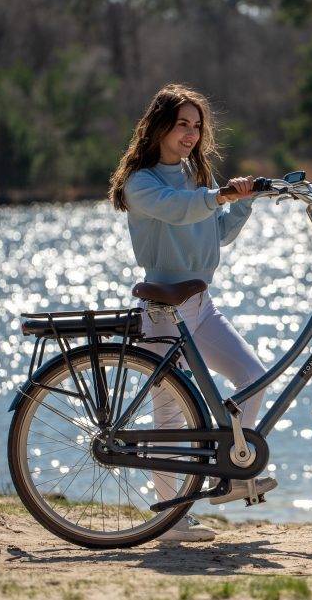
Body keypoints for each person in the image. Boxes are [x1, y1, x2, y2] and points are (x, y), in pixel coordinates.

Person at [108, 83, 277, 542]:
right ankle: (170, 519)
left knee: (254, 376)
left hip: (201, 306)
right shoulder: (141, 182)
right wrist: (217, 195)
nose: (190, 133)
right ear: (159, 126)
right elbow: (181, 213)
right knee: (172, 415)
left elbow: (213, 233)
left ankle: (235, 466)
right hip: (163, 310)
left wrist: (239, 203)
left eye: (197, 126)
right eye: (182, 124)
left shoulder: (192, 173)